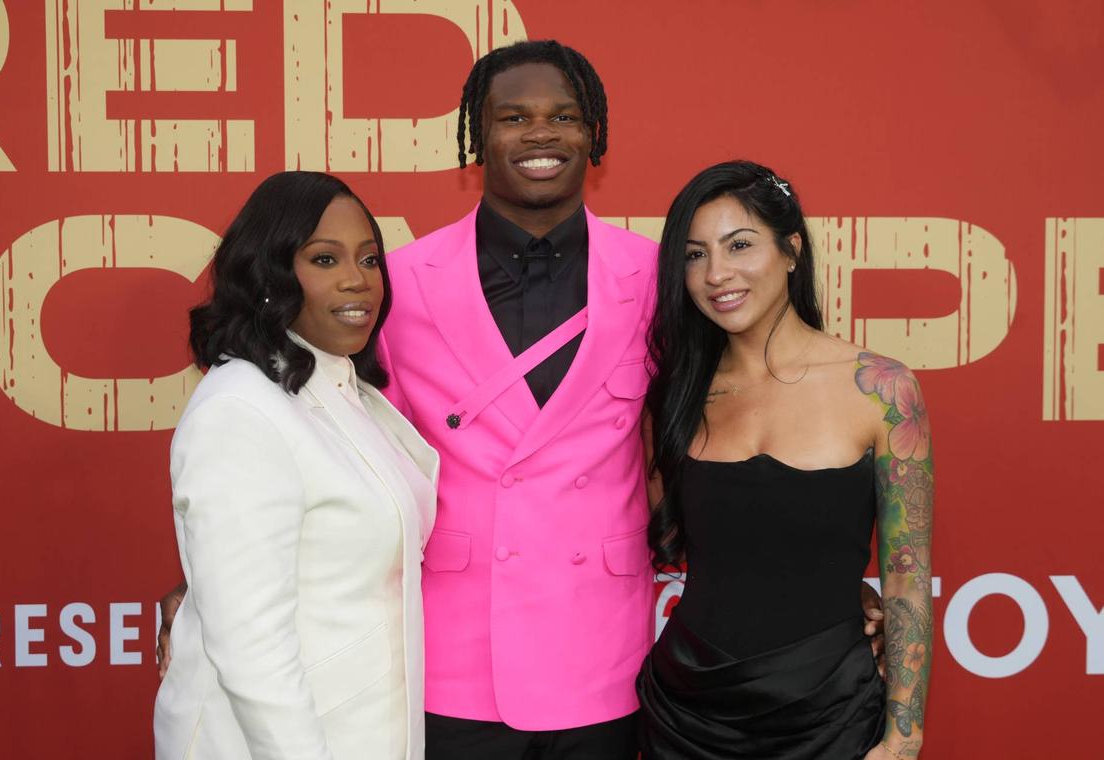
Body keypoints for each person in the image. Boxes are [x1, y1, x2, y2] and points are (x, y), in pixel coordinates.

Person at [159, 41, 885, 760]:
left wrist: (807, 584)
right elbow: (327, 425)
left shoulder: (659, 275)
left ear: (593, 135)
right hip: (450, 655)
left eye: (564, 116)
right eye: (512, 117)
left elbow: (728, 415)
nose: (540, 133)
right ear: (477, 139)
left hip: (600, 651)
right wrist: (208, 581)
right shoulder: (394, 281)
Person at [635, 160, 933, 759]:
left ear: (792, 250)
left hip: (830, 716)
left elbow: (908, 578)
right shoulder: (673, 394)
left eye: (738, 245)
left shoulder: (881, 388)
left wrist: (904, 734)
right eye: (694, 256)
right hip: (689, 712)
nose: (717, 274)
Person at [153, 171, 438, 760]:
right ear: (270, 275)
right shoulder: (241, 409)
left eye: (369, 259)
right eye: (325, 259)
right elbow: (251, 645)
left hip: (365, 732)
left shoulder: (337, 389)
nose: (358, 280)